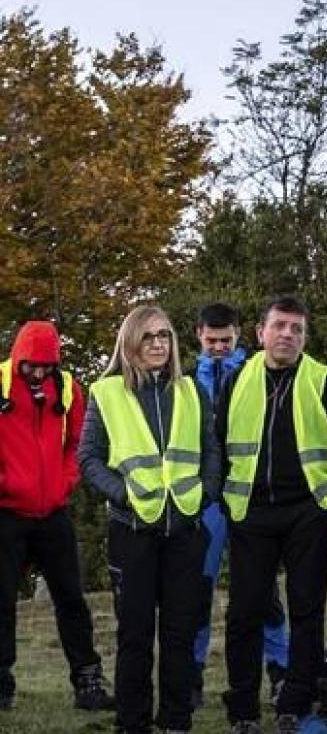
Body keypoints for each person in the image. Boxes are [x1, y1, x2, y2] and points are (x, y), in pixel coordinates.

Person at [216, 296, 327, 734]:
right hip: (249, 512)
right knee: (244, 613)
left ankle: (297, 701)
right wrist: (226, 500)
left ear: (305, 336)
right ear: (260, 332)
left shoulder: (323, 379)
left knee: (307, 610)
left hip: (307, 511)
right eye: (279, 326)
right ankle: (242, 710)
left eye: (297, 328)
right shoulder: (237, 379)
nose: (288, 335)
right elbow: (218, 445)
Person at [80, 305, 221, 734]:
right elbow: (88, 458)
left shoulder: (192, 390)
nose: (159, 343)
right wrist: (123, 494)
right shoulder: (105, 393)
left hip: (185, 529)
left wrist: (204, 495)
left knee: (180, 632)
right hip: (132, 530)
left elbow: (211, 449)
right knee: (135, 636)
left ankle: (176, 721)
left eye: (165, 335)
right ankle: (133, 722)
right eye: (149, 336)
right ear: (131, 342)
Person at [0, 320, 114, 713]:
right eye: (32, 365)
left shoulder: (67, 389)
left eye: (46, 366)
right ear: (18, 357)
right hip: (6, 513)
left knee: (71, 599)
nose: (38, 373)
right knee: (1, 601)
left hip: (53, 512)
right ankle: (2, 685)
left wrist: (66, 483)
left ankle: (88, 680)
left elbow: (79, 443)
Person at [192, 303, 291, 713]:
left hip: (249, 497)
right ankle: (191, 672)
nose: (218, 347)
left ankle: (280, 670)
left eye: (226, 340)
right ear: (198, 335)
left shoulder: (257, 374)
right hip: (205, 501)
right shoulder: (184, 382)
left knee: (262, 588)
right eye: (212, 340)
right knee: (196, 588)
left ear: (239, 336)